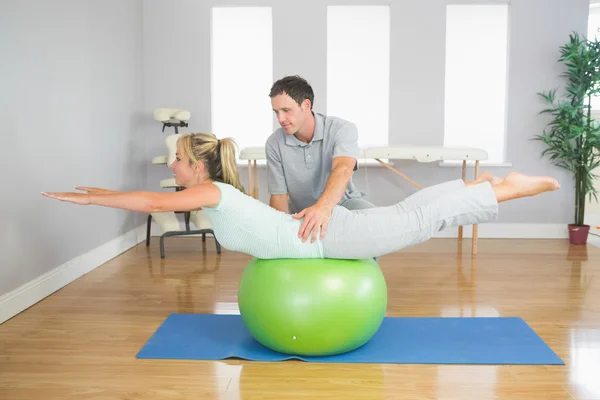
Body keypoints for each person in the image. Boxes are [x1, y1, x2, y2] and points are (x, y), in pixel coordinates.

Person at [42, 133, 560, 260]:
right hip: (314, 238)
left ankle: (501, 189)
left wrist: (95, 202)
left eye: (176, 158)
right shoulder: (211, 189)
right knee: (413, 215)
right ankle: (486, 187)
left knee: (416, 220)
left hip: (325, 236)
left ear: (196, 165)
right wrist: (99, 191)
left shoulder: (207, 190)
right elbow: (149, 198)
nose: (171, 165)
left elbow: (153, 204)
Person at [267, 75, 375, 244]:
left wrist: (322, 208)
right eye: (276, 112)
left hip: (344, 206)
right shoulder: (274, 144)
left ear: (306, 105)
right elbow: (279, 197)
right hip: (302, 213)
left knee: (371, 217)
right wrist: (279, 235)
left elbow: (343, 169)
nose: (280, 119)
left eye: (286, 111)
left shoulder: (342, 129)